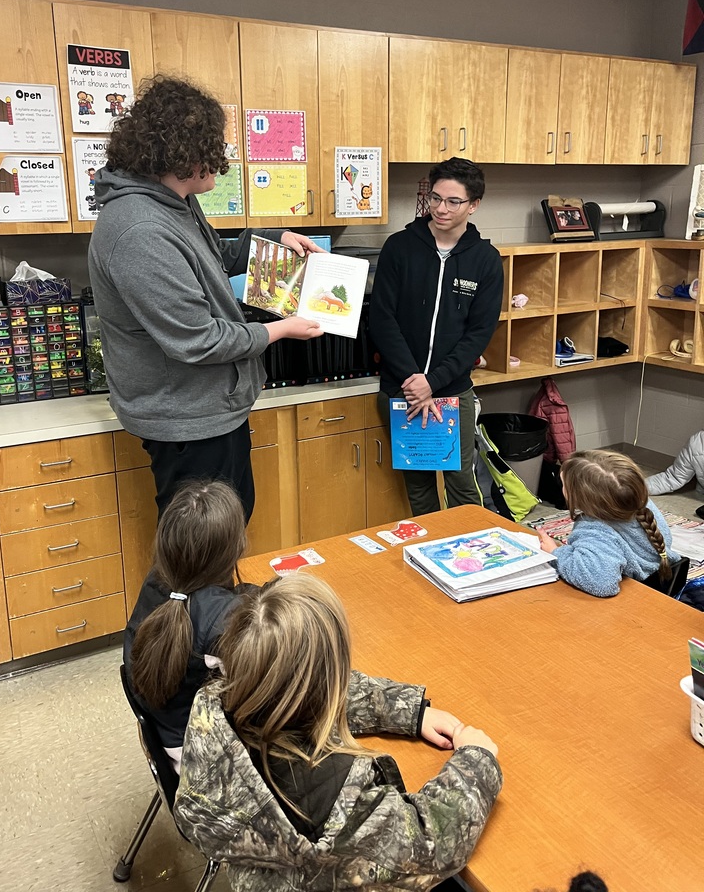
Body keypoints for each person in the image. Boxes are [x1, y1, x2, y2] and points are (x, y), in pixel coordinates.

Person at [88, 76, 323, 521]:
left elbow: (215, 255)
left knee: (222, 532)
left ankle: (212, 595)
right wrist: (280, 329)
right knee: (197, 552)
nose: (224, 158)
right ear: (183, 152)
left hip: (211, 409)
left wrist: (275, 240)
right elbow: (198, 339)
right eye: (215, 147)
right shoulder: (140, 230)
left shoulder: (172, 203)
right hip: (186, 418)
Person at [175, 572, 502, 892]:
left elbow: (318, 688)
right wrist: (476, 761)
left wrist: (410, 711)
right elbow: (434, 845)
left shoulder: (216, 710)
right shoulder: (335, 805)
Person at [369, 157, 504, 514]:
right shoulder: (400, 247)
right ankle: (428, 562)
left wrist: (433, 382)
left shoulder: (486, 260)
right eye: (435, 198)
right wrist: (414, 382)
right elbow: (382, 319)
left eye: (453, 201)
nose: (440, 209)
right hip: (402, 391)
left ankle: (471, 562)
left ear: (473, 205)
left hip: (451, 393)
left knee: (462, 486)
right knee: (419, 487)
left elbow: (478, 334)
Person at [123, 478, 257, 772]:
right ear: (236, 550)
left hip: (168, 732)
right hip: (205, 762)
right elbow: (263, 696)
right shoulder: (223, 625)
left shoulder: (160, 584)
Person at [537, 450, 680, 598]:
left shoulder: (593, 528)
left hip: (636, 599)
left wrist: (555, 553)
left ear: (580, 497)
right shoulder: (644, 505)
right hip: (661, 582)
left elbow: (602, 584)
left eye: (564, 484)